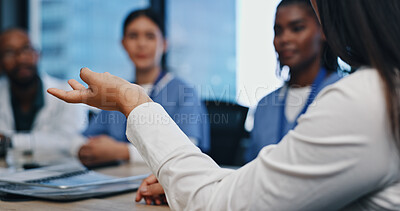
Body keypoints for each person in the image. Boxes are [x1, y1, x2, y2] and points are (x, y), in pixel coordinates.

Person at [48, 0, 400, 209]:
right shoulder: (271, 104)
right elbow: (270, 177)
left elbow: (215, 196)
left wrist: (132, 103)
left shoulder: (362, 96)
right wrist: (194, 180)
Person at [79, 9, 210, 166]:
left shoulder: (184, 93)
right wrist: (84, 149)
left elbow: (188, 151)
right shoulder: (116, 92)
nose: (141, 44)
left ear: (164, 44)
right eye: (133, 36)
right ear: (123, 44)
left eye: (150, 36)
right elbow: (83, 138)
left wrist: (122, 152)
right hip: (117, 180)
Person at [245, 0, 342, 162]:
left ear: (323, 32)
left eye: (297, 28)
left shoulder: (344, 93)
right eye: (278, 31)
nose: (284, 39)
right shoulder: (265, 106)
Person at [0, 28, 87, 160]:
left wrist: (9, 141)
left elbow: (70, 142)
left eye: (26, 49)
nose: (21, 58)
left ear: (37, 54)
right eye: (9, 53)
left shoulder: (67, 93)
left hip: (56, 171)